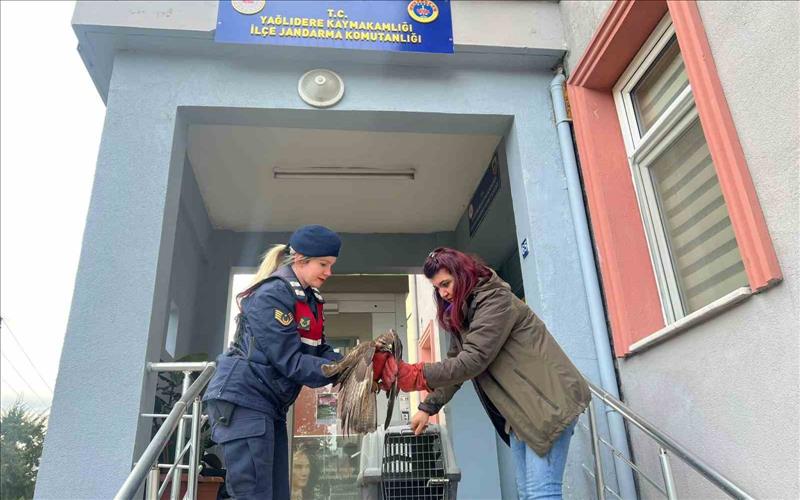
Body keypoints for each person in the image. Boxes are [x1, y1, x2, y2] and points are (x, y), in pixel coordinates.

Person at [380, 247, 591, 500]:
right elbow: (456, 366)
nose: (443, 293)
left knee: (540, 493)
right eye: (437, 288)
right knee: (528, 494)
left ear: (463, 274)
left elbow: (473, 360)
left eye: (446, 284)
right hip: (519, 411)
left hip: (547, 402)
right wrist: (428, 407)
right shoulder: (465, 313)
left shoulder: (496, 300)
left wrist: (416, 374)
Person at [203, 225, 378, 500]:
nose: (329, 272)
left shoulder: (309, 300)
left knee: (276, 494)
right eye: (323, 264)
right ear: (300, 259)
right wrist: (344, 369)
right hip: (244, 401)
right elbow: (290, 361)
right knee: (253, 495)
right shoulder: (271, 295)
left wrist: (357, 360)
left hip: (269, 405)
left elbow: (318, 350)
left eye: (331, 265)